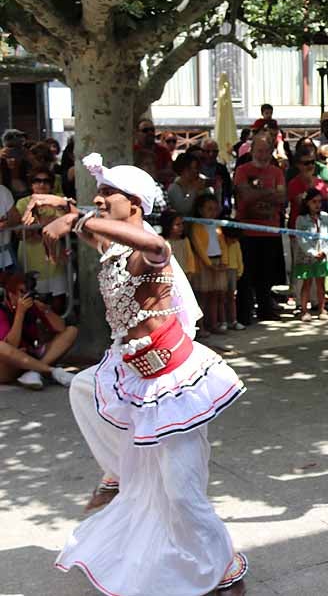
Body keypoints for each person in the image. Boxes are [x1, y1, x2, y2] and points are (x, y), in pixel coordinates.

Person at [32, 154, 247, 595]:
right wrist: (57, 203)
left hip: (173, 385)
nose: (98, 200)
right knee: (84, 387)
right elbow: (92, 223)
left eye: (107, 194)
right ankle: (118, 471)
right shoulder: (111, 245)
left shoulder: (149, 249)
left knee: (182, 491)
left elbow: (155, 248)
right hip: (134, 374)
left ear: (134, 204)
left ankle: (225, 563)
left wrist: (73, 219)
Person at [233, 133, 286, 324]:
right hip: (247, 232)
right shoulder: (242, 170)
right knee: (245, 276)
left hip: (270, 230)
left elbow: (281, 198)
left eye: (266, 150)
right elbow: (245, 197)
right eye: (260, 150)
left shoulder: (277, 172)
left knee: (267, 276)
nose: (263, 154)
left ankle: (265, 309)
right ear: (252, 150)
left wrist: (257, 194)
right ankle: (244, 314)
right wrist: (269, 193)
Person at [0, 271, 77, 390]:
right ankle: (51, 371)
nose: (25, 296)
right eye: (21, 292)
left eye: (27, 292)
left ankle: (34, 372)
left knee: (72, 331)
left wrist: (45, 310)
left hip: (31, 356)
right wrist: (20, 313)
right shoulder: (2, 311)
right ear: (11, 295)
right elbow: (11, 345)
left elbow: (61, 328)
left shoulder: (32, 306)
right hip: (10, 364)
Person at [15, 168, 69, 313]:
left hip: (54, 256)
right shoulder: (22, 203)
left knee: (59, 296)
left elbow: (65, 224)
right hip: (30, 256)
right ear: (31, 184)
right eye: (37, 181)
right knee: (33, 298)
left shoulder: (59, 201)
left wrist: (38, 225)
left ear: (51, 185)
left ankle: (58, 326)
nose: (41, 184)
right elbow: (20, 233)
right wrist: (46, 224)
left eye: (46, 181)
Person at [189, 194, 229, 334]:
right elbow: (199, 247)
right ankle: (201, 326)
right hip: (205, 264)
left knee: (215, 295)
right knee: (203, 296)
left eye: (214, 209)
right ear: (200, 210)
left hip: (218, 262)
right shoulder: (196, 226)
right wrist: (209, 264)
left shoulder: (216, 225)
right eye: (209, 209)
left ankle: (213, 324)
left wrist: (224, 261)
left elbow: (223, 244)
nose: (213, 212)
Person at [293, 188, 328, 320]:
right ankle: (304, 310)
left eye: (319, 202)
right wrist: (312, 253)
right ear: (307, 203)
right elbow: (301, 239)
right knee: (307, 283)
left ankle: (322, 309)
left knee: (321, 283)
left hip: (322, 255)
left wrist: (325, 251)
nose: (317, 205)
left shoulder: (325, 217)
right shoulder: (301, 219)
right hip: (307, 257)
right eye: (314, 202)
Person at [132, 119, 174, 186]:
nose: (150, 132)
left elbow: (170, 173)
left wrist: (153, 174)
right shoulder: (132, 151)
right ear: (137, 133)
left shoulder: (163, 151)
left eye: (152, 130)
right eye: (145, 130)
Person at [198, 139, 233, 217]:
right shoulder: (196, 168)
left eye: (215, 152)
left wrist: (226, 208)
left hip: (219, 212)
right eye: (207, 151)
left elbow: (227, 191)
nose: (211, 154)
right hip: (199, 212)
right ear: (202, 152)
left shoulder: (222, 169)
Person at [166, 152, 204, 216]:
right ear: (181, 170)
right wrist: (194, 190)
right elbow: (183, 210)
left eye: (196, 168)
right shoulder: (174, 188)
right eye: (189, 169)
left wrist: (217, 189)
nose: (194, 172)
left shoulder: (200, 183)